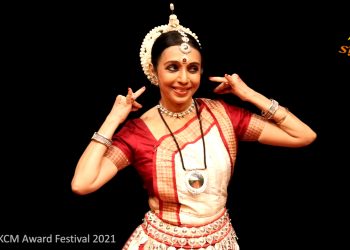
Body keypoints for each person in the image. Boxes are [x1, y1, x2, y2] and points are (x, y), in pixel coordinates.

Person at [71, 3, 317, 249]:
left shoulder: (223, 115)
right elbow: (82, 183)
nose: (184, 79)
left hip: (219, 242)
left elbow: (304, 136)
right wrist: (113, 119)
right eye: (172, 68)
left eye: (193, 69)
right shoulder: (138, 133)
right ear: (154, 72)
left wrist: (249, 94)